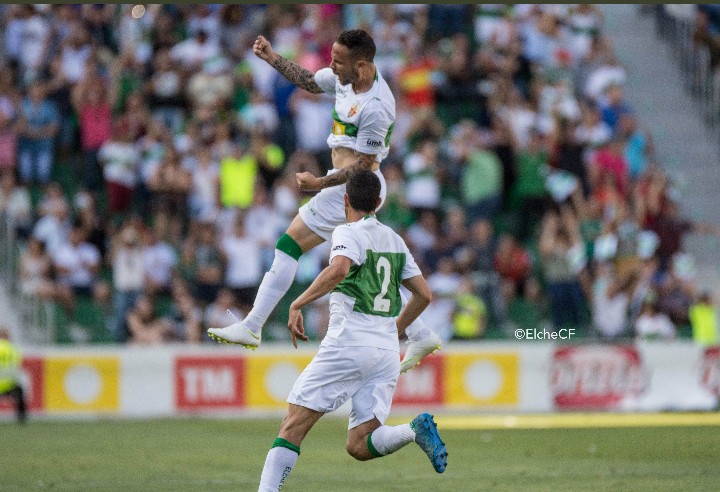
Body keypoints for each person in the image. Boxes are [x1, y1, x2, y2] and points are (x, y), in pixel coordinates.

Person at [209, 29, 441, 372]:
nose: (331, 66)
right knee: (366, 266)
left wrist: (318, 182)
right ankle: (419, 332)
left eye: (338, 60)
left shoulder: (378, 106)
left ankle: (253, 326)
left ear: (360, 65)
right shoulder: (343, 78)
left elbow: (365, 164)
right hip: (349, 187)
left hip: (355, 187)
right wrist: (272, 58)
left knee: (289, 246)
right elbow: (308, 80)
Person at [253, 171, 447, 492]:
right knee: (359, 443)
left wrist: (298, 302)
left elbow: (340, 267)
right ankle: (414, 430)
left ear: (345, 200)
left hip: (348, 345)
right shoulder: (395, 240)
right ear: (379, 202)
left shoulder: (347, 231)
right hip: (385, 354)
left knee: (292, 425)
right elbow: (424, 294)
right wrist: (395, 330)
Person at [0, 327, 26, 423]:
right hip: (10, 383)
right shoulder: (13, 348)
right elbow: (17, 364)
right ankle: (21, 417)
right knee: (20, 391)